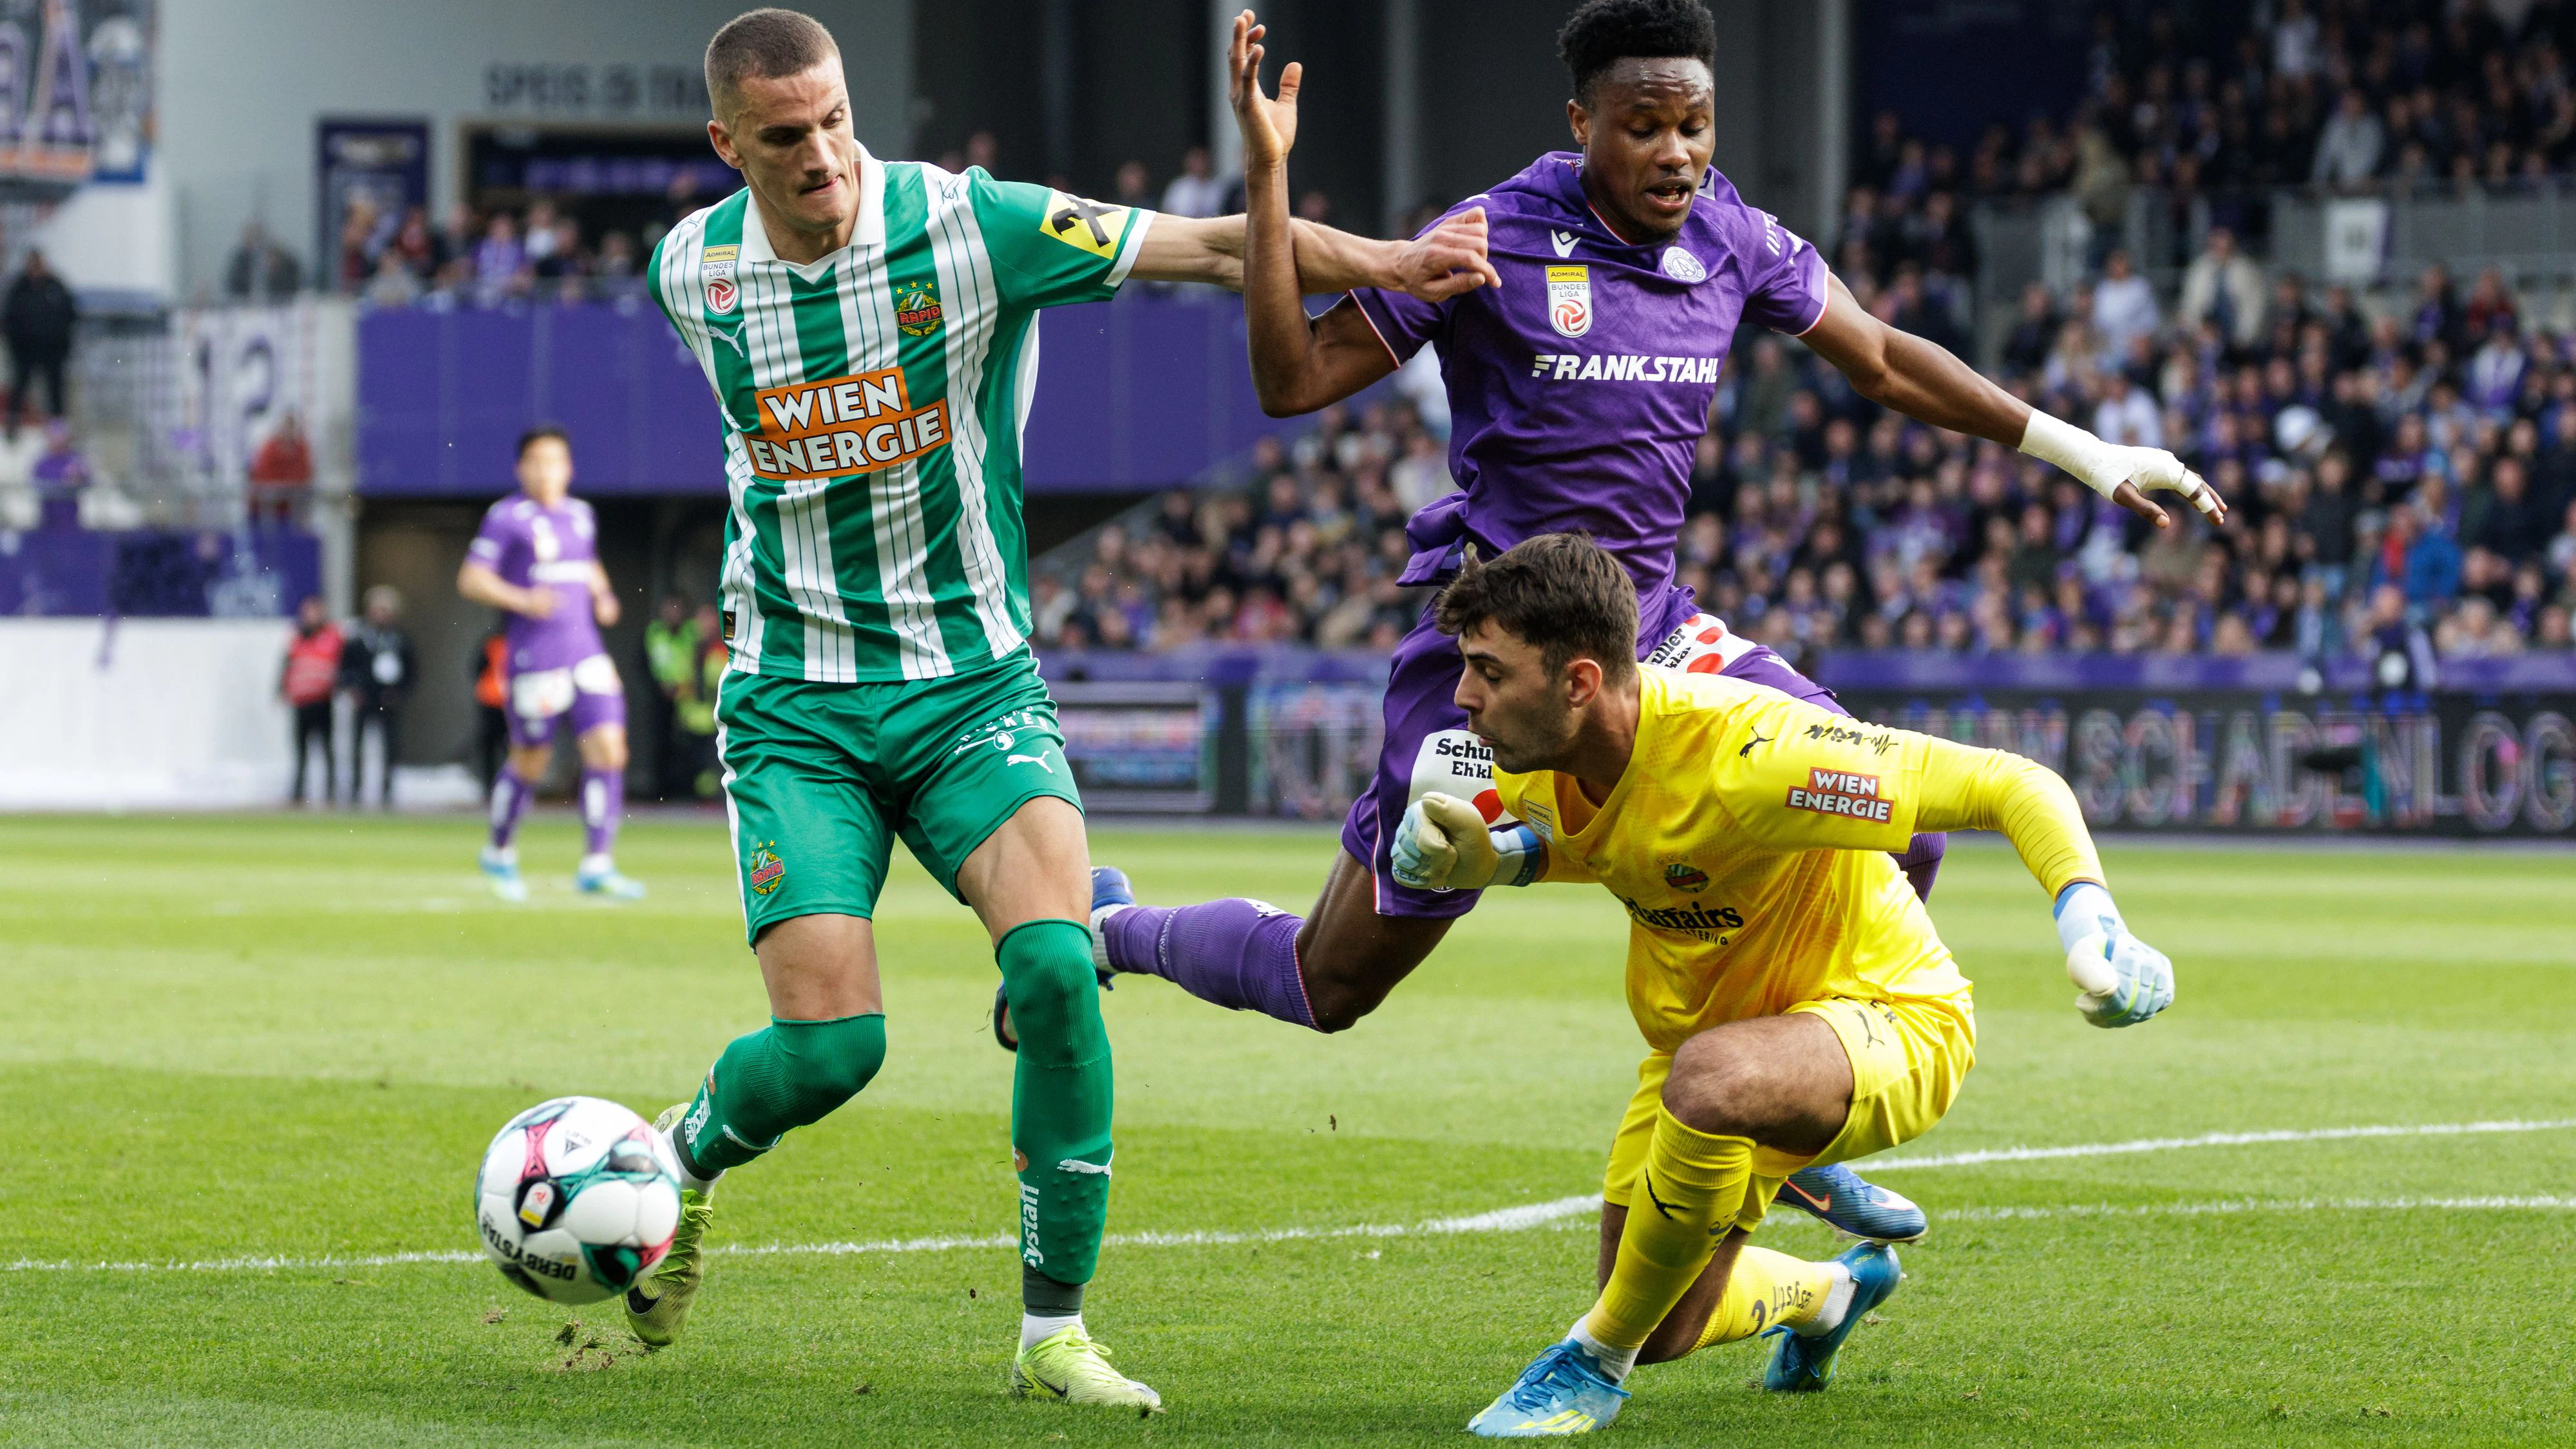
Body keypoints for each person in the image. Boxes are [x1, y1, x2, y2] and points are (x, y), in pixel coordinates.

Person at [1077, 1, 2219, 1241]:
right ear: (1582, 126)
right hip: (1497, 655)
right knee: (1334, 978)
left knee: (1900, 831)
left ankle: (1791, 1120)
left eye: (1695, 124)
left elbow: (1882, 359)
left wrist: (2084, 450)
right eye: (1644, 127)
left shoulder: (1733, 231)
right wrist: (1269, 169)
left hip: (1652, 636)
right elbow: (1290, 380)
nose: (1677, 153)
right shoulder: (1494, 233)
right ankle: (1112, 930)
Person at [618, 5, 1493, 1412]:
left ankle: (1051, 1333)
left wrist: (1398, 263)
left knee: (1053, 971)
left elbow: (1209, 248)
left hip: (971, 689)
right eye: (786, 140)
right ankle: (688, 1156)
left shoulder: (972, 226)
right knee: (835, 1051)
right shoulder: (692, 274)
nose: (825, 156)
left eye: (837, 120)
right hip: (794, 707)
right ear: (728, 147)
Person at [1390, 536, 2171, 1436]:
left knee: (1712, 1090)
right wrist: (1488, 857)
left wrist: (2090, 915)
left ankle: (1588, 1362)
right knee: (1669, 1320)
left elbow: (2008, 781)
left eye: (1488, 669)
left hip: (1891, 1015)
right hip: (1715, 1042)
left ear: (1576, 681)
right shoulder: (1528, 754)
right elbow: (1610, 841)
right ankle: (1831, 1290)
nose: (1462, 695)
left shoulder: (1752, 752)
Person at [457, 426, 645, 901]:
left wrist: (602, 593)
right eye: (537, 462)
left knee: (609, 748)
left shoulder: (581, 516)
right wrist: (522, 598)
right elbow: (472, 578)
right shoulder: (507, 518)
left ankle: (598, 863)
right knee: (532, 760)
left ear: (569, 468)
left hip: (585, 651)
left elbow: (586, 561)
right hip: (535, 656)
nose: (547, 471)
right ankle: (499, 851)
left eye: (556, 461)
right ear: (522, 468)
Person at [339, 585, 417, 807]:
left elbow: (411, 672)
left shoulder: (400, 640)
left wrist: (399, 693)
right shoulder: (358, 639)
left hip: (388, 701)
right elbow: (345, 669)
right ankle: (356, 790)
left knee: (391, 746)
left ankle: (387, 790)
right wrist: (353, 690)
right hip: (365, 699)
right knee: (358, 745)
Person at [278, 595, 343, 805]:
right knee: (300, 750)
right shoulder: (297, 636)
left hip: (323, 700)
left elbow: (340, 663)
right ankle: (298, 793)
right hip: (301, 701)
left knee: (326, 748)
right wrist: (281, 689)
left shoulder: (332, 635)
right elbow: (287, 665)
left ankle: (331, 793)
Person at [2, 250, 75, 424]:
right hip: (25, 352)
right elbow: (9, 320)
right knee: (19, 387)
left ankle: (58, 426)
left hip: (52, 352)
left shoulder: (56, 286)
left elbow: (69, 316)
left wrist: (61, 345)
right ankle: (13, 425)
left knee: (55, 391)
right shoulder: (19, 289)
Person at [643, 594, 699, 799]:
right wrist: (659, 687)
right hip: (661, 698)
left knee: (689, 745)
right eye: (669, 608)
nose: (672, 613)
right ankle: (660, 792)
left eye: (676, 608)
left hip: (688, 697)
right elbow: (645, 664)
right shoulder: (654, 632)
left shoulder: (691, 631)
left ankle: (687, 791)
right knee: (661, 744)